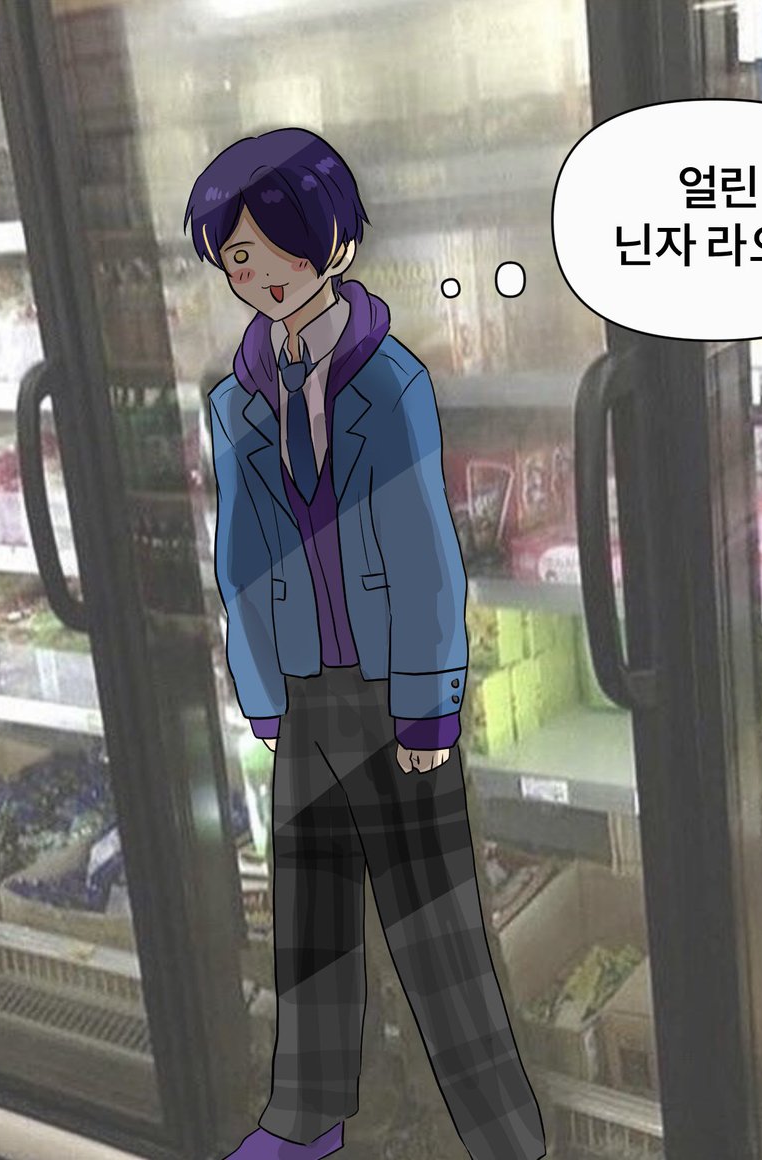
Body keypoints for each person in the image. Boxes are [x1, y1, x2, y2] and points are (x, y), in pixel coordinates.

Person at [185, 128, 546, 1160]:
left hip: (393, 691)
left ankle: (503, 1136)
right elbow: (240, 553)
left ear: (330, 242)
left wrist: (430, 704)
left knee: (437, 923)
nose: (257, 274)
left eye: (274, 247)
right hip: (301, 688)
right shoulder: (235, 403)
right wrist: (259, 686)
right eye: (237, 256)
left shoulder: (390, 383)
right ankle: (305, 1119)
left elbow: (426, 548)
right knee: (310, 910)